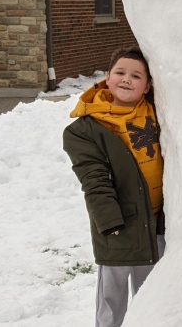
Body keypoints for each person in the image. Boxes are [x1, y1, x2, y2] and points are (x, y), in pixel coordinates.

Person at [63, 47, 166, 327]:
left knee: (152, 294)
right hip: (118, 224)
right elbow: (94, 178)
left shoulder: (158, 113)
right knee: (112, 297)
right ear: (107, 78)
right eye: (120, 72)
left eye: (136, 75)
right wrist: (108, 220)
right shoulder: (86, 130)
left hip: (157, 223)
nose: (126, 79)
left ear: (148, 86)